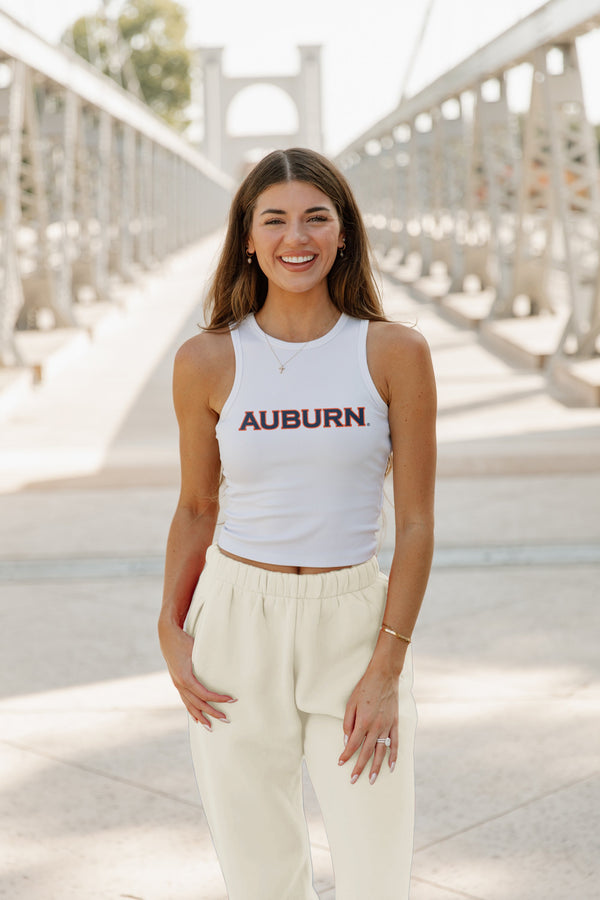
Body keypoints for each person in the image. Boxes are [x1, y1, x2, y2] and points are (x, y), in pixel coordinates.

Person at [158, 147, 436, 900]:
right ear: (247, 238)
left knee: (377, 872)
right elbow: (196, 507)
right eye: (274, 219)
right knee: (260, 877)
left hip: (351, 623)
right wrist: (170, 628)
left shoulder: (394, 353)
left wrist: (386, 671)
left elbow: (414, 524)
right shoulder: (208, 360)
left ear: (344, 233)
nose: (296, 237)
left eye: (317, 217)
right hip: (235, 625)